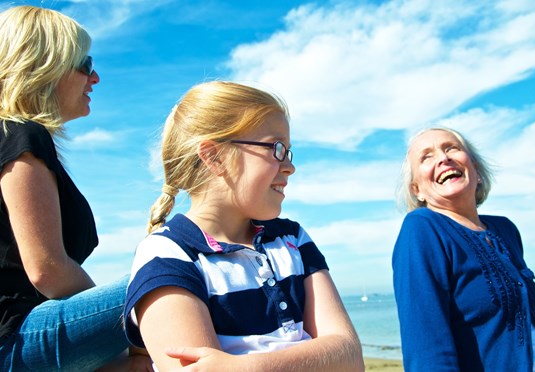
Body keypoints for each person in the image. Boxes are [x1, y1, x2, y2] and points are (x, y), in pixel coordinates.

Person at [123, 81, 364, 371]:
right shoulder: (167, 255)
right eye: (276, 148)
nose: (289, 166)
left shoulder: (291, 238)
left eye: (288, 151)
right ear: (214, 157)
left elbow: (349, 355)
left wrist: (249, 368)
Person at [0, 5, 151, 371]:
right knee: (174, 273)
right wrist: (117, 333)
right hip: (15, 338)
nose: (95, 77)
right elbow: (47, 269)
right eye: (85, 63)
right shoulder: (22, 137)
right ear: (46, 66)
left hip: (21, 337)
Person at [392, 127, 535, 371]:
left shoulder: (505, 229)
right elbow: (425, 347)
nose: (443, 158)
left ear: (477, 171)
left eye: (452, 148)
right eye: (426, 156)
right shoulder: (422, 228)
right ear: (417, 189)